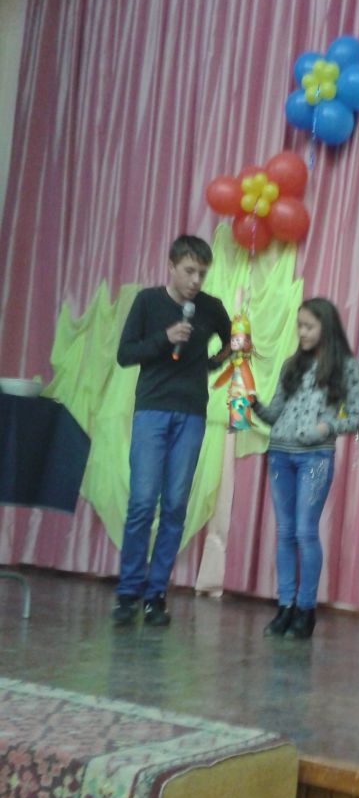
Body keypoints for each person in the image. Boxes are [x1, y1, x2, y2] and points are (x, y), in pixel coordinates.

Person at [112, 235, 231, 626]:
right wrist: (165, 338)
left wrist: (210, 364)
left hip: (191, 413)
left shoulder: (211, 308)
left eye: (202, 273)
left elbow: (232, 341)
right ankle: (128, 592)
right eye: (189, 271)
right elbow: (126, 354)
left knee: (176, 504)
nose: (196, 280)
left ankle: (156, 595)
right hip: (151, 409)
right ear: (171, 266)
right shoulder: (148, 302)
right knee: (143, 502)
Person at [253, 297, 359, 640]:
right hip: (279, 454)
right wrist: (251, 403)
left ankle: (306, 610)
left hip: (315, 456)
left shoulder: (347, 367)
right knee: (285, 532)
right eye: (299, 326)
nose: (301, 332)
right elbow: (274, 413)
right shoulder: (291, 365)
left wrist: (326, 427)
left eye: (309, 327)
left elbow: (357, 418)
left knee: (305, 532)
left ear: (325, 328)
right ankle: (284, 606)